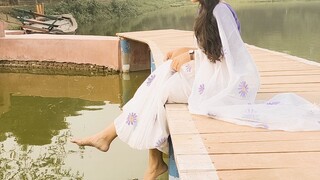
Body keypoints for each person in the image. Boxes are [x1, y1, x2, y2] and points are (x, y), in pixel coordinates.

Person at [71, 0, 320, 179]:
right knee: (161, 77)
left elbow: (230, 56)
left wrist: (191, 55)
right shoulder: (206, 8)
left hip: (224, 83)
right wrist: (185, 51)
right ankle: (141, 158)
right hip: (211, 75)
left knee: (160, 88)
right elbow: (212, 49)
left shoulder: (219, 10)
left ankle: (131, 152)